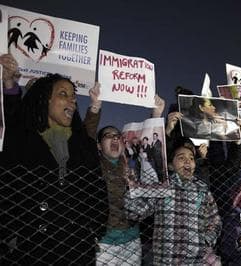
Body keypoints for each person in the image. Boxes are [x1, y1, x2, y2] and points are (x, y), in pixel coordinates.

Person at [0, 54, 108, 265]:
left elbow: (97, 189)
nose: (72, 100)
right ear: (44, 99)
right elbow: (10, 120)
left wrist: (95, 228)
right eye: (63, 94)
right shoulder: (22, 139)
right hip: (30, 250)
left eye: (73, 95)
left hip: (78, 250)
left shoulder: (83, 144)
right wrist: (9, 83)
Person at [124, 137, 222, 265]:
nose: (187, 161)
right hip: (166, 260)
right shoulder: (161, 187)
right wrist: (132, 187)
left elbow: (215, 221)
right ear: (170, 165)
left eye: (191, 158)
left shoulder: (202, 190)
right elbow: (134, 212)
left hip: (196, 261)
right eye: (181, 158)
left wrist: (206, 241)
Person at [96, 126, 141, 265]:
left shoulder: (134, 167)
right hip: (105, 244)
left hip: (133, 241)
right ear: (98, 145)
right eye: (108, 135)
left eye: (117, 135)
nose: (115, 138)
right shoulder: (93, 167)